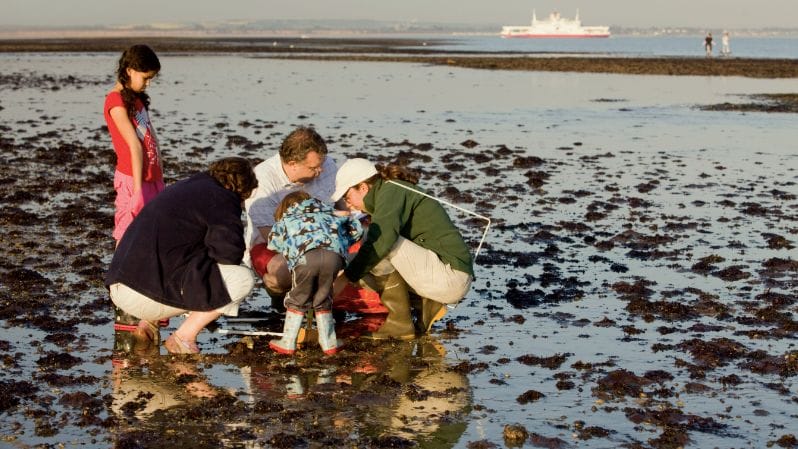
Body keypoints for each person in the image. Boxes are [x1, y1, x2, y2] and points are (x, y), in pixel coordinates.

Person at [106, 157, 258, 354]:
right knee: (242, 279)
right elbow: (229, 254)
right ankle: (183, 338)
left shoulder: (186, 187)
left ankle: (148, 325)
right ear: (239, 188)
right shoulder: (223, 197)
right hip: (143, 296)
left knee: (179, 255)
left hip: (119, 287)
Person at [331, 158, 474, 340]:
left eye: (347, 196)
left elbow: (381, 241)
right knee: (368, 251)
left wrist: (345, 279)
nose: (347, 203)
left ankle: (399, 324)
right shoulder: (388, 192)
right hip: (443, 273)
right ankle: (425, 304)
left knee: (377, 241)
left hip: (451, 276)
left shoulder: (391, 191)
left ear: (364, 187)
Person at [244, 126, 337, 305]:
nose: (320, 171)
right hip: (273, 246)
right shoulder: (262, 180)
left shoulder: (327, 165)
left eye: (321, 164)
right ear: (293, 163)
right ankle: (279, 300)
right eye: (314, 168)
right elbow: (270, 236)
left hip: (327, 239)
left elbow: (343, 205)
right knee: (284, 274)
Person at [266, 191, 363, 355]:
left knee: (298, 297)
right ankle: (329, 343)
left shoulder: (288, 218)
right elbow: (357, 230)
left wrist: (292, 246)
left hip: (306, 259)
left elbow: (273, 243)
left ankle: (288, 342)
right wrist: (341, 241)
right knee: (323, 297)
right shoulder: (331, 214)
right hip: (334, 257)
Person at [103, 44, 164, 245]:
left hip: (151, 177)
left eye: (151, 79)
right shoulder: (115, 101)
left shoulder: (137, 100)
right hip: (132, 178)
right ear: (129, 70)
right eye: (146, 78)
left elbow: (152, 140)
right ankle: (117, 275)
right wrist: (138, 189)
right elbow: (133, 145)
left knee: (151, 233)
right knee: (127, 233)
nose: (148, 84)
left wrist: (159, 177)